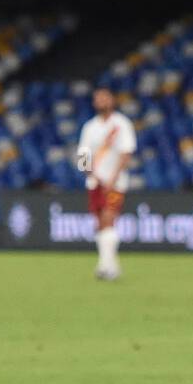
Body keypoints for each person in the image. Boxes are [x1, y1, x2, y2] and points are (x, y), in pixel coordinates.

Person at [77, 88, 136, 280]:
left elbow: (126, 153)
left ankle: (106, 267)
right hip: (95, 182)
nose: (101, 101)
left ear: (112, 100)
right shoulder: (90, 127)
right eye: (98, 98)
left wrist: (112, 178)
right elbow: (83, 157)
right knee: (100, 223)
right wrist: (92, 173)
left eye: (105, 97)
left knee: (109, 217)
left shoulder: (121, 124)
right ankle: (110, 265)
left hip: (115, 183)